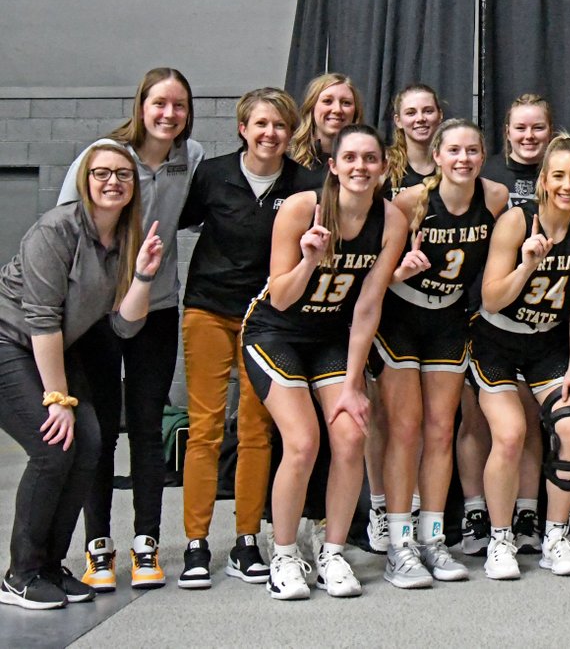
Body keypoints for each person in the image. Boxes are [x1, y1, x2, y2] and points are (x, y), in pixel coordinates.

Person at [242, 124, 405, 600]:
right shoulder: (301, 207)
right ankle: (286, 554)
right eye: (350, 158)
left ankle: (332, 552)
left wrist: (354, 383)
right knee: (303, 441)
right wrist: (310, 259)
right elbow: (283, 295)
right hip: (275, 332)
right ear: (333, 166)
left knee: (352, 433)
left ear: (383, 167)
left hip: (331, 335)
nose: (360, 167)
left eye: (370, 159)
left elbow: (368, 305)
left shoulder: (391, 220)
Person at [57, 67, 204, 591]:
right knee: (97, 432)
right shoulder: (104, 156)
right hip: (97, 314)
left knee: (146, 427)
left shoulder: (194, 160)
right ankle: (98, 546)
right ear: (141, 105)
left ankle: (145, 542)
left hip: (157, 310)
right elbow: (66, 228)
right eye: (159, 103)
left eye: (180, 105)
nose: (169, 114)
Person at [0, 146, 162, 610]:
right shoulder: (57, 229)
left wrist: (145, 277)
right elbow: (42, 319)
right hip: (11, 341)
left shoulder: (127, 238)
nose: (113, 182)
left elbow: (124, 325)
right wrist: (56, 398)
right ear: (84, 180)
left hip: (47, 346)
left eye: (124, 175)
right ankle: (21, 573)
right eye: (102, 173)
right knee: (53, 444)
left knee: (89, 441)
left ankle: (50, 565)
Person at [175, 88, 304, 590]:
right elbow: (174, 217)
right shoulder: (212, 174)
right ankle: (195, 543)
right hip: (208, 308)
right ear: (243, 129)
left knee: (256, 429)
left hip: (266, 316)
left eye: (279, 126)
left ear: (290, 134)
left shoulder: (303, 183)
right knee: (205, 428)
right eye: (261, 124)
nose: (270, 134)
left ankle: (247, 538)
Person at [373, 119, 507, 587]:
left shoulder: (494, 199)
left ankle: (432, 539)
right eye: (454, 150)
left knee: (440, 431)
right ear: (437, 155)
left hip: (449, 320)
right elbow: (373, 276)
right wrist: (396, 272)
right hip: (402, 320)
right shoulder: (411, 201)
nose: (463, 159)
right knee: (405, 430)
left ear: (483, 154)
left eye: (472, 150)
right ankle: (398, 543)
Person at [472, 136, 570, 579]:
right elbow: (490, 298)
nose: (567, 185)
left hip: (548, 345)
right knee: (510, 433)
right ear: (543, 181)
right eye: (558, 176)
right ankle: (500, 539)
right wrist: (525, 266)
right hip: (497, 342)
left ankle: (555, 536)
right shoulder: (516, 222)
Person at [364, 82, 447, 553]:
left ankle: (422, 510)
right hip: (389, 304)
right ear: (397, 120)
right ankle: (381, 507)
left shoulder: (455, 164)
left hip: (439, 311)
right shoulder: (383, 172)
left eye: (428, 110)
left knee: (431, 420)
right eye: (411, 112)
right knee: (387, 416)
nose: (420, 118)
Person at [290, 73, 364, 191]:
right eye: (327, 101)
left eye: (346, 103)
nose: (337, 110)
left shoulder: (368, 162)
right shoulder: (288, 159)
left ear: (355, 112)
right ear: (311, 107)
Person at [484, 93, 553, 207]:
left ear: (550, 132)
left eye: (538, 128)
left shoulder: (561, 175)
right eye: (520, 128)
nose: (529, 135)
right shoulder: (486, 174)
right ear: (508, 132)